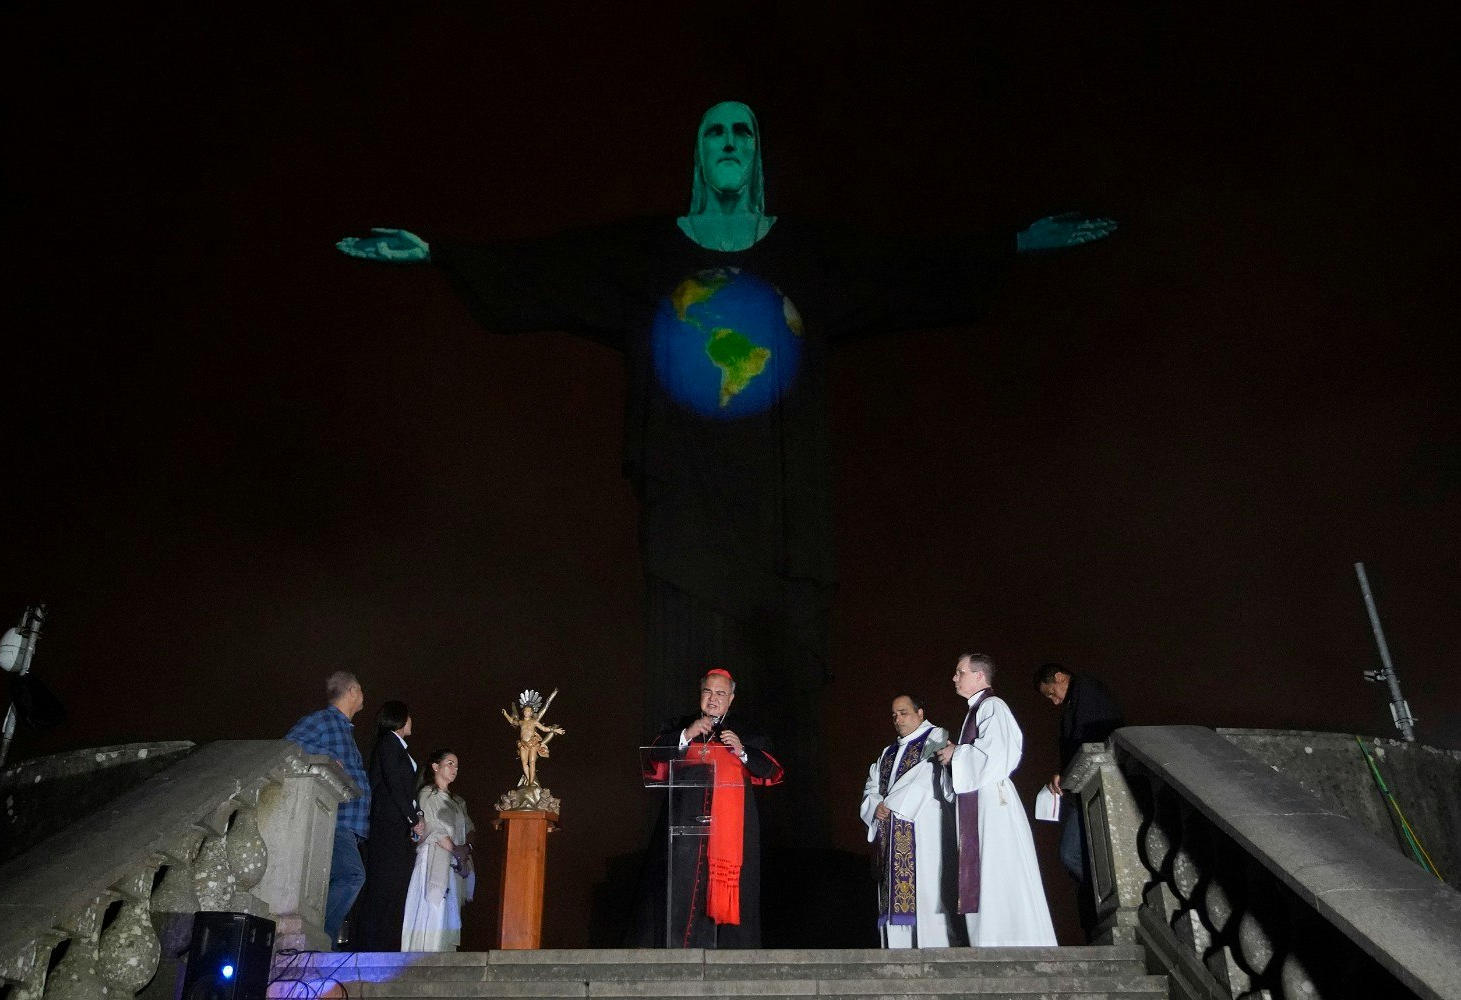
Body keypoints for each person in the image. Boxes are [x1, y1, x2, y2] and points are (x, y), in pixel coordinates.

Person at [334, 101, 1116, 848]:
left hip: (782, 507)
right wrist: (442, 253)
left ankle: (795, 844)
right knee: (684, 653)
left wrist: (1009, 246)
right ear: (699, 154)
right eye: (715, 133)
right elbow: (552, 268)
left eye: (744, 130)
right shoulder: (651, 254)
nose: (731, 142)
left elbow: (903, 269)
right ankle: (677, 848)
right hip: (689, 507)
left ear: (759, 151)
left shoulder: (805, 253)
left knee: (787, 671)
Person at [632, 668, 783, 948]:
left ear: (731, 698)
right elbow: (653, 756)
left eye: (720, 693)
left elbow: (772, 769)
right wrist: (686, 735)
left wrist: (743, 751)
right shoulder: (681, 724)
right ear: (700, 694)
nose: (713, 699)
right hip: (683, 827)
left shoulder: (746, 731)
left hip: (731, 830)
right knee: (680, 887)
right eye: (708, 692)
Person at [936, 654, 1056, 946]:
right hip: (980, 800)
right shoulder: (974, 711)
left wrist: (957, 754)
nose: (954, 677)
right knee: (988, 869)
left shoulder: (992, 706)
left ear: (979, 676)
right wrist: (955, 758)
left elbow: (1000, 753)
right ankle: (990, 939)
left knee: (1000, 868)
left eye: (959, 671)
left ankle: (1016, 938)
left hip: (993, 803)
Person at [284, 671, 371, 946]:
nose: (363, 696)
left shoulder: (345, 730)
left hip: (348, 825)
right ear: (353, 690)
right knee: (351, 874)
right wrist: (325, 760)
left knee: (334, 880)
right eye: (361, 691)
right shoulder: (321, 721)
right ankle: (318, 938)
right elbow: (287, 750)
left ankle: (320, 939)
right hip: (334, 820)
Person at [860, 694, 952, 948]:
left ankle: (935, 951)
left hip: (923, 826)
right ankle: (897, 955)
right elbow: (872, 785)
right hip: (890, 831)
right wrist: (875, 806)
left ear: (920, 713)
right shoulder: (888, 752)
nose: (898, 719)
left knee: (926, 890)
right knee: (894, 894)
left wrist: (891, 805)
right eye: (894, 715)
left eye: (904, 713)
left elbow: (926, 776)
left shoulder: (935, 737)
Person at [1034, 663, 1124, 889]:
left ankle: (1106, 892)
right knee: (1076, 853)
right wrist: (1062, 774)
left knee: (1072, 853)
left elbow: (1090, 734)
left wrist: (1065, 773)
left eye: (1051, 693)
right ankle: (1102, 895)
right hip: (1082, 788)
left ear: (1060, 677)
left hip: (1097, 781)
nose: (1054, 701)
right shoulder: (1073, 704)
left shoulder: (1085, 687)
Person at [352, 700, 426, 951]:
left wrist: (417, 813)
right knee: (382, 883)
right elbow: (394, 784)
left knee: (394, 884)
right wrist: (413, 818)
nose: (412, 722)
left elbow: (406, 789)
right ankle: (366, 943)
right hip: (387, 825)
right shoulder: (388, 743)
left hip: (398, 827)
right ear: (400, 719)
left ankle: (383, 942)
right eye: (409, 717)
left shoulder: (398, 748)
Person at [402, 748, 476, 951]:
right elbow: (432, 826)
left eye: (457, 766)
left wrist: (465, 849)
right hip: (436, 857)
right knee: (434, 904)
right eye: (450, 763)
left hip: (454, 860)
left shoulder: (458, 801)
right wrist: (454, 849)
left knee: (450, 911)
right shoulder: (428, 793)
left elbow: (469, 828)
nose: (455, 769)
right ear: (436, 766)